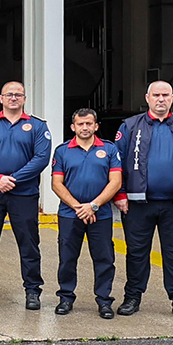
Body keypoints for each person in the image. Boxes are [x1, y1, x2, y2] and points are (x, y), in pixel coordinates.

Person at [113, 81, 173, 322]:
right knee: (136, 253)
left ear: (172, 98)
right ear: (147, 98)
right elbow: (116, 163)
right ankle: (132, 297)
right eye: (156, 95)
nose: (160, 99)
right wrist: (120, 194)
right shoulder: (130, 126)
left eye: (165, 95)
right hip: (137, 205)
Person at [0, 80, 52, 309]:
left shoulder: (38, 126)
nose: (13, 98)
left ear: (24, 99)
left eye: (18, 94)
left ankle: (32, 290)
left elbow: (41, 159)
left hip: (24, 194)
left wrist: (13, 179)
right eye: (9, 94)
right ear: (1, 98)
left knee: (28, 243)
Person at [52, 107, 123, 319]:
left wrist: (93, 205)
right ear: (73, 127)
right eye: (80, 124)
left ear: (96, 126)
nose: (85, 127)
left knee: (104, 258)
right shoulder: (62, 151)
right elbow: (56, 184)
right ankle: (65, 297)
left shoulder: (110, 150)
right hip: (69, 213)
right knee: (67, 258)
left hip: (100, 214)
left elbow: (116, 181)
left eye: (89, 123)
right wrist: (79, 207)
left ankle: (104, 301)